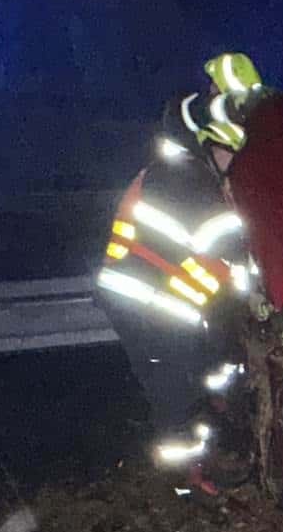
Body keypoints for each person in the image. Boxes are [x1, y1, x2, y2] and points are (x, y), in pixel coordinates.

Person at [95, 53, 270, 492]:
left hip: (174, 302)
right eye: (229, 156)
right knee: (175, 395)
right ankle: (184, 485)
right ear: (211, 144)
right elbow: (229, 243)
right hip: (146, 304)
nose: (234, 167)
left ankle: (212, 455)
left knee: (213, 375)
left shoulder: (195, 170)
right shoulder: (183, 179)